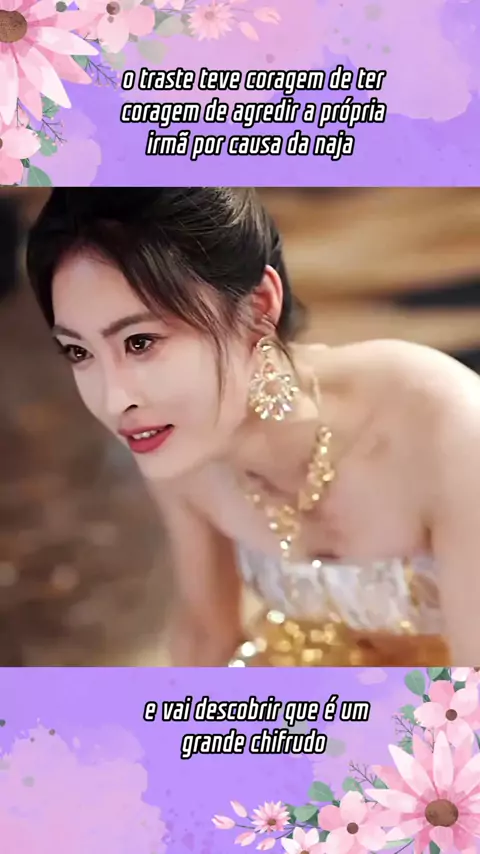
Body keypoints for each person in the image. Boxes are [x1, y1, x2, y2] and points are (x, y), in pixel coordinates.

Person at [26, 187, 480, 667]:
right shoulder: (172, 437)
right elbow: (208, 632)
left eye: (140, 342)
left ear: (260, 305)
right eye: (79, 352)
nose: (114, 400)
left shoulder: (445, 430)